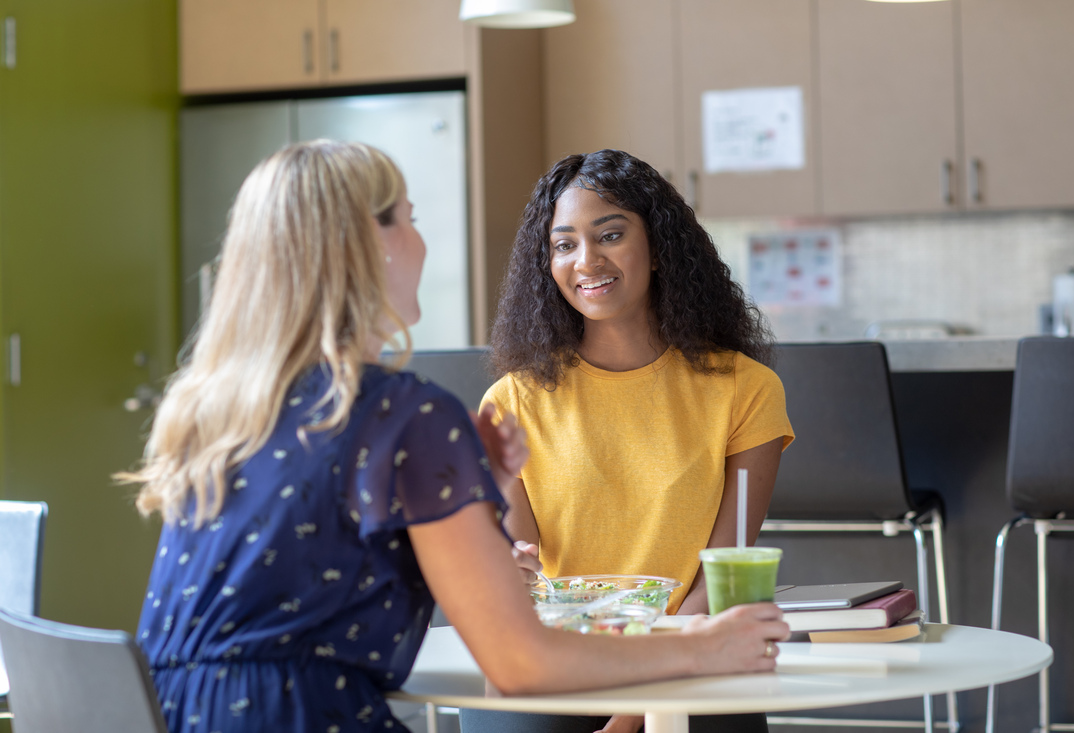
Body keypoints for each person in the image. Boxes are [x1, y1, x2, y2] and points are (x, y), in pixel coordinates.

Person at [116, 140, 790, 733]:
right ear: (368, 247)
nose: (421, 238)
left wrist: (479, 494)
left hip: (170, 710)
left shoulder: (216, 408)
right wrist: (702, 650)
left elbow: (308, 569)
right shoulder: (404, 412)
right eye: (409, 218)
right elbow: (518, 659)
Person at [468, 149, 796, 733]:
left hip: (693, 660)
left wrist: (640, 707)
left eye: (610, 235)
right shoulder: (511, 403)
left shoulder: (745, 390)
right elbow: (523, 577)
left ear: (659, 246)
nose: (586, 260)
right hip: (559, 668)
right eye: (564, 244)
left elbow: (717, 581)